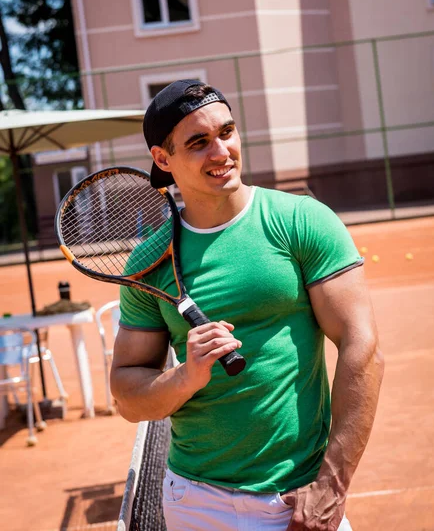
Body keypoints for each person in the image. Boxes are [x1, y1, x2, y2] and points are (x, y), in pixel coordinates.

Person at [111, 79, 385, 531]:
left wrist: (331, 486)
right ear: (163, 159)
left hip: (297, 497)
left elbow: (363, 346)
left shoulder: (301, 221)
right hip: (194, 502)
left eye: (227, 132)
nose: (221, 152)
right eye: (198, 143)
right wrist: (186, 375)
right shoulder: (149, 261)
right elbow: (128, 396)